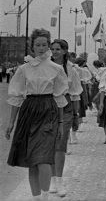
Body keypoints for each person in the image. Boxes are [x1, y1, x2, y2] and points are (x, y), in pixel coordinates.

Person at [5, 29, 69, 201]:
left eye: (44, 44)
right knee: (32, 160)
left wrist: (61, 123)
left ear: (48, 45)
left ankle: (46, 196)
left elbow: (60, 98)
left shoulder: (56, 69)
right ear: (32, 47)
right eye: (38, 45)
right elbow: (17, 97)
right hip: (29, 111)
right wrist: (11, 123)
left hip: (48, 111)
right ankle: (36, 198)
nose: (41, 48)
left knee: (44, 158)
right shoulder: (23, 69)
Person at [48, 39, 83, 197]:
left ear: (64, 51)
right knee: (48, 143)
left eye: (58, 49)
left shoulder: (71, 70)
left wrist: (76, 115)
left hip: (66, 107)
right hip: (47, 107)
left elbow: (75, 94)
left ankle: (59, 181)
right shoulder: (45, 67)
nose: (54, 52)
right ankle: (51, 179)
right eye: (53, 49)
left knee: (60, 144)